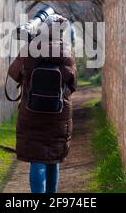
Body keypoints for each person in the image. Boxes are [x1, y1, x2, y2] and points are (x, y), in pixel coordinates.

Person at [7, 14, 76, 193]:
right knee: (53, 159)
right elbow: (73, 83)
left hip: (32, 111)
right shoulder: (67, 52)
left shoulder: (30, 49)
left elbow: (14, 73)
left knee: (37, 159)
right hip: (58, 114)